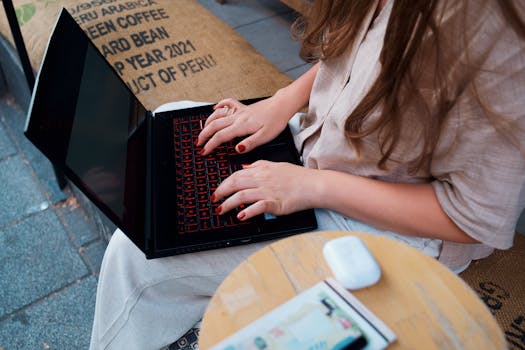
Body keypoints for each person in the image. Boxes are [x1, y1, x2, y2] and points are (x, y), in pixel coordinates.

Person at [89, 0, 525, 349]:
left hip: (395, 224)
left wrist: (311, 187)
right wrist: (281, 103)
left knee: (137, 258)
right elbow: (368, 53)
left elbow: (472, 218)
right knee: (171, 126)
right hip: (323, 149)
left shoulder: (498, 38)